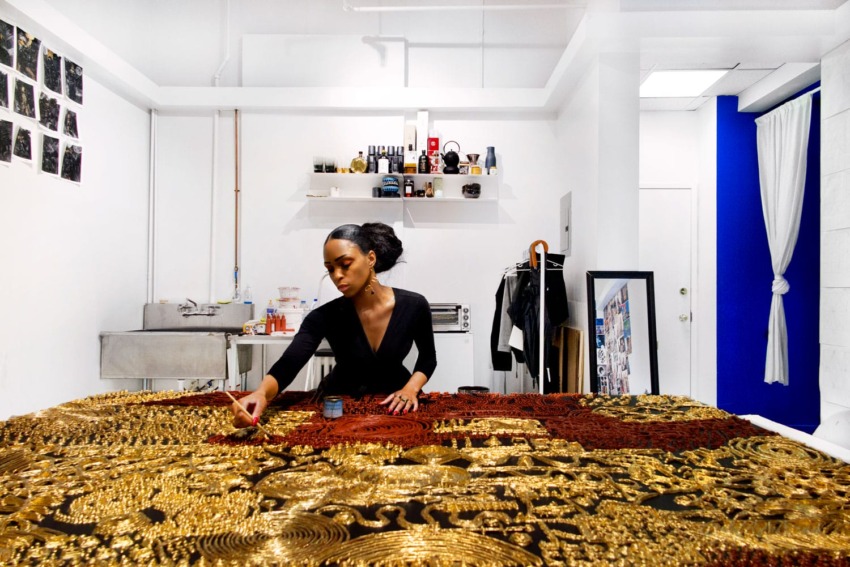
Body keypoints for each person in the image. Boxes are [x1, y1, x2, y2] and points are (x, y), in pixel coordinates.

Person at [231, 222, 436, 427]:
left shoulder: (414, 305)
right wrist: (260, 394)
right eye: (330, 268)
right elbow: (289, 364)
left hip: (397, 403)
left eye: (345, 264)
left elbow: (428, 359)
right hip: (338, 407)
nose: (336, 275)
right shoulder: (324, 316)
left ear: (371, 258)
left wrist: (411, 389)